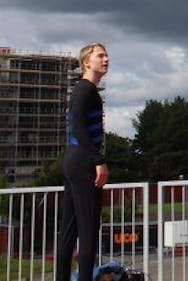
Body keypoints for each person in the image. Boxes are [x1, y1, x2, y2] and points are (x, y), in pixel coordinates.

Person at [56, 43, 110, 281]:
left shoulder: (85, 90)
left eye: (106, 55)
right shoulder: (85, 90)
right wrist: (98, 160)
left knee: (69, 231)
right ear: (86, 62)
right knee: (88, 232)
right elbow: (77, 126)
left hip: (74, 160)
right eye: (100, 55)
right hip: (83, 162)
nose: (106, 59)